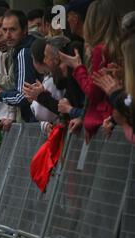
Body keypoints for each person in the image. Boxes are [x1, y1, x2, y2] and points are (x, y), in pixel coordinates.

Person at [59, 0, 122, 142]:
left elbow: (93, 92)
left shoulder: (100, 50)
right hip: (115, 119)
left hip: (106, 123)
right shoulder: (119, 45)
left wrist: (78, 67)